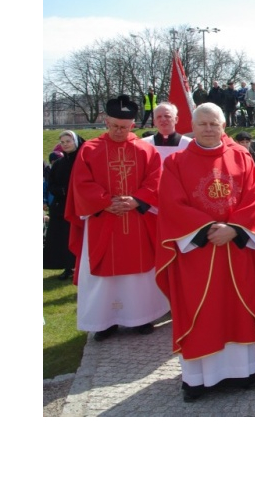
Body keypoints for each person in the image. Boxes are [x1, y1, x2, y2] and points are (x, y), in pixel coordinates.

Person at [156, 103, 255, 401]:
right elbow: (172, 206)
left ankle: (242, 373)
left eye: (214, 123)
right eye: (203, 124)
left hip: (236, 250)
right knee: (200, 313)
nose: (209, 129)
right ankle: (198, 379)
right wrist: (209, 230)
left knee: (238, 309)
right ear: (192, 126)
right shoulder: (175, 162)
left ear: (223, 125)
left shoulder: (242, 157)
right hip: (197, 253)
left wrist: (235, 229)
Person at [66, 95, 169, 341]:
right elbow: (81, 184)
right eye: (114, 126)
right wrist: (105, 202)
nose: (119, 131)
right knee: (102, 272)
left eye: (124, 127)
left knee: (140, 271)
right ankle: (103, 322)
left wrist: (137, 200)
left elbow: (156, 179)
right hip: (103, 220)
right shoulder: (89, 150)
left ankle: (141, 318)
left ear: (132, 125)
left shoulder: (145, 149)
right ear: (106, 121)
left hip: (136, 219)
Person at [44, 130, 85, 280]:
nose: (65, 144)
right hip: (62, 205)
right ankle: (67, 267)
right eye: (62, 142)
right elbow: (51, 183)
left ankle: (79, 267)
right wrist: (60, 190)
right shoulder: (59, 163)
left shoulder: (83, 160)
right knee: (62, 237)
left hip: (79, 205)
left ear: (75, 142)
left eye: (68, 141)